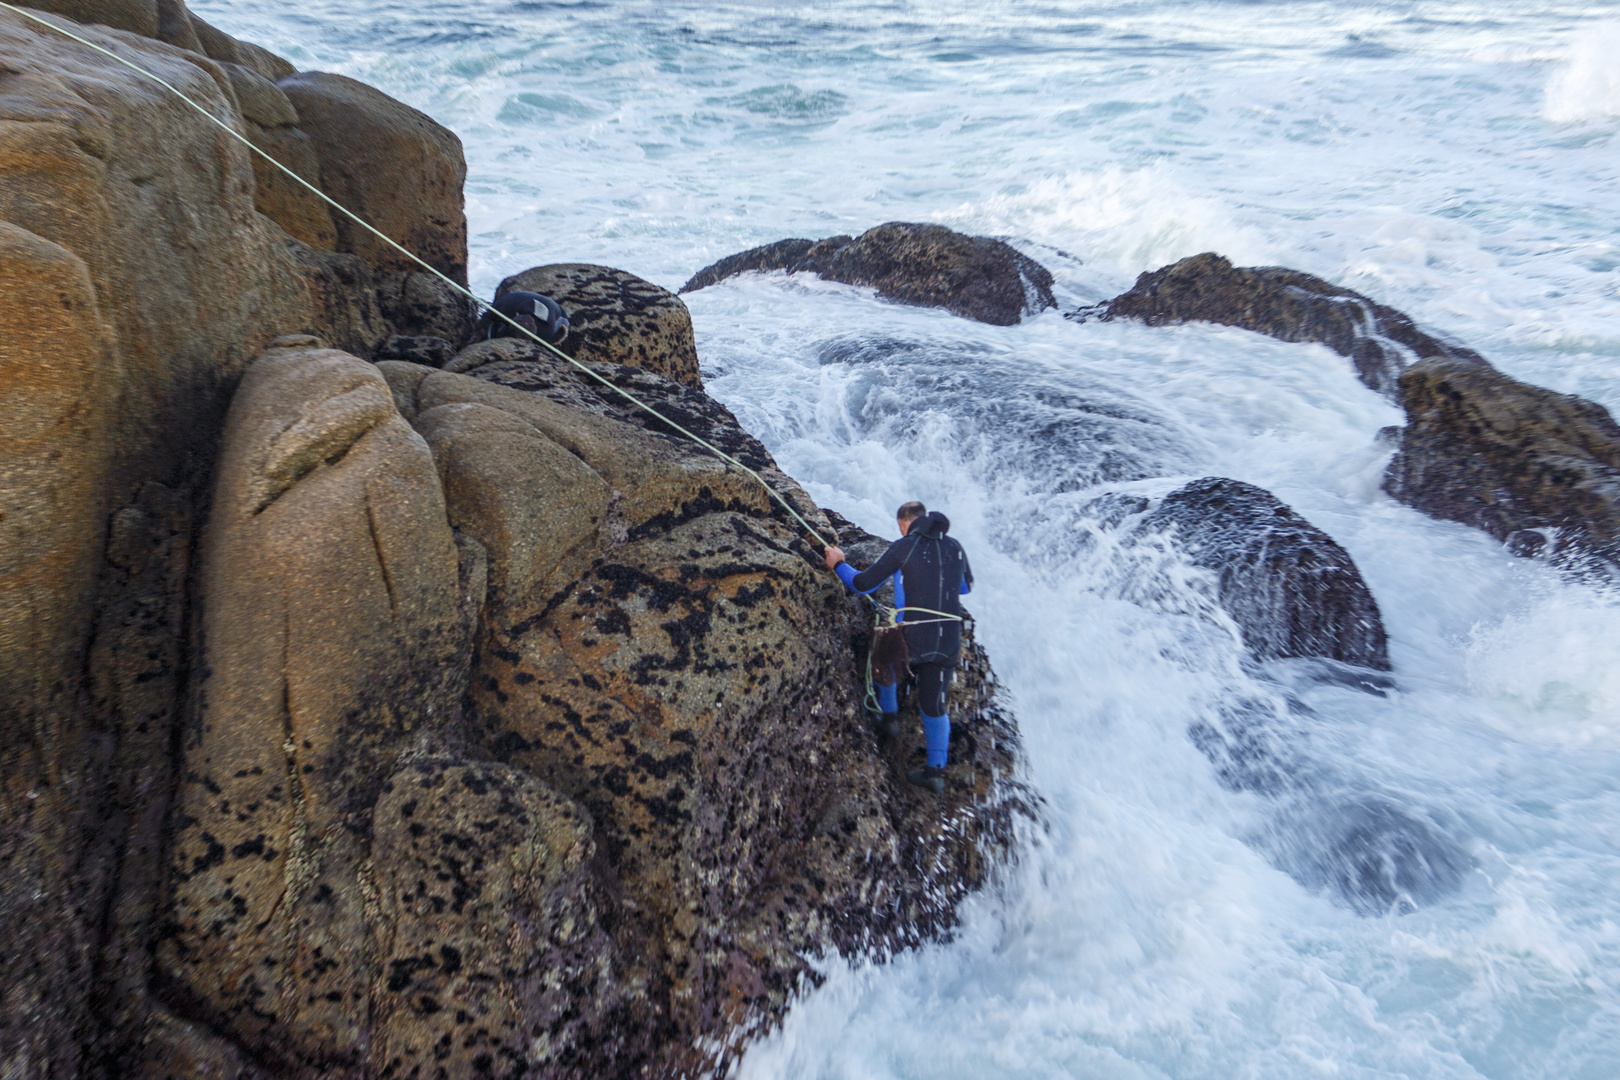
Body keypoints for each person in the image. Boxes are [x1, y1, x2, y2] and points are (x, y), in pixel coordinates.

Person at [823, 501, 973, 794]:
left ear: (904, 523)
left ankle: (888, 718)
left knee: (885, 658)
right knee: (934, 704)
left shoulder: (905, 546)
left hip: (916, 637)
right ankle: (935, 772)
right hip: (949, 639)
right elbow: (965, 587)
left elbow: (863, 584)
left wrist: (838, 563)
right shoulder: (954, 546)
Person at [469, 289, 571, 345]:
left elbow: (543, 354)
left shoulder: (545, 332)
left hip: (559, 315)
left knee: (555, 346)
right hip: (515, 299)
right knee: (488, 331)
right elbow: (485, 321)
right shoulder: (502, 307)